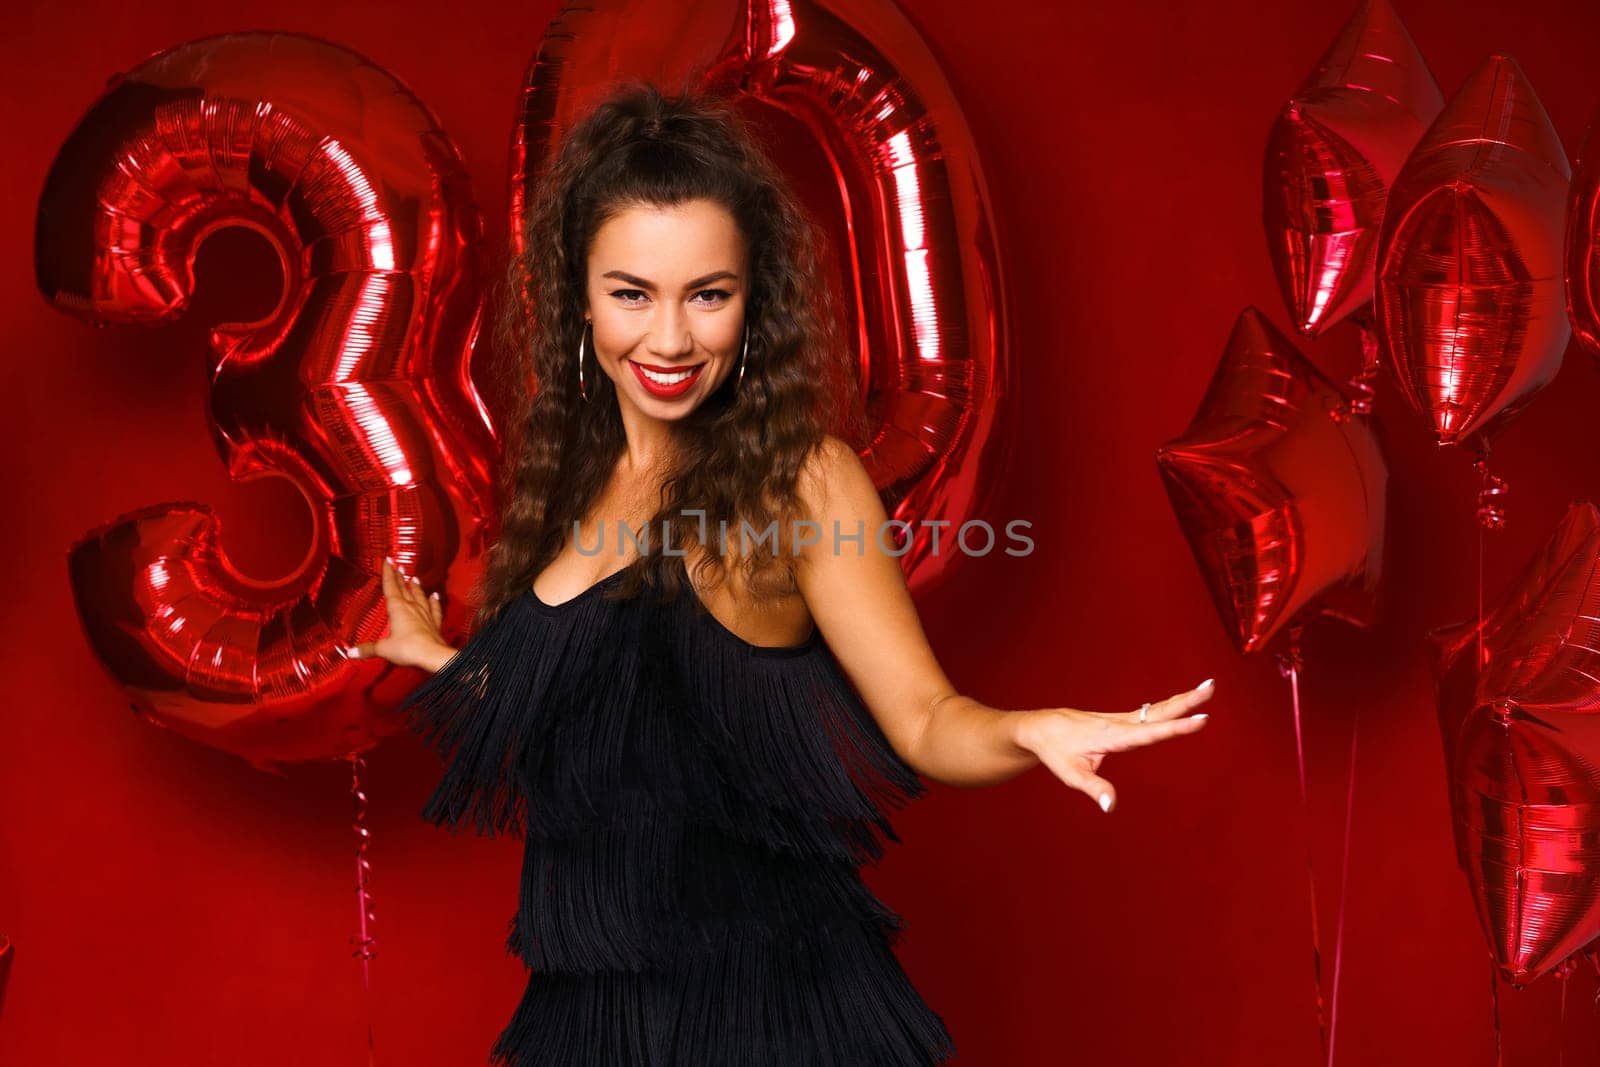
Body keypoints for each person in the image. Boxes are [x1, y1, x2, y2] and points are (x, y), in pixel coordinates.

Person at [347, 80, 1213, 1066]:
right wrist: (439, 655)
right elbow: (581, 702)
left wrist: (1024, 728)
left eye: (706, 294)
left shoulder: (801, 479)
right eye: (631, 292)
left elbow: (925, 717)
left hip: (767, 1020)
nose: (669, 339)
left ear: (753, 298)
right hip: (588, 1018)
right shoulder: (574, 486)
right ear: (576, 298)